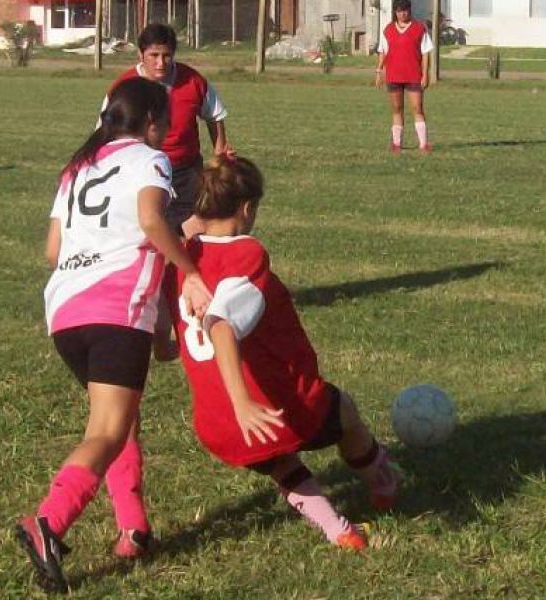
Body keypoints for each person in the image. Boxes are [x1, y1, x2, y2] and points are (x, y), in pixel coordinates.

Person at [15, 78, 212, 594]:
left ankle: (134, 528)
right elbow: (151, 221)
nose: (168, 130)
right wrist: (189, 272)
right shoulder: (150, 159)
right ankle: (48, 524)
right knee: (105, 431)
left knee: (119, 420)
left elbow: (53, 250)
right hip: (114, 310)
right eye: (166, 121)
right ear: (150, 122)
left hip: (64, 311)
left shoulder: (78, 166)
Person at [168, 156, 399, 550]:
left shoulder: (183, 258)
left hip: (216, 423)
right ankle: (384, 484)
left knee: (279, 462)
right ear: (247, 208)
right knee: (344, 410)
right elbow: (222, 324)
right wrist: (242, 401)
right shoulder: (246, 256)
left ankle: (338, 530)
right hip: (271, 408)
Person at [103, 23, 235, 236]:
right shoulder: (124, 85)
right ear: (140, 54)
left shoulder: (192, 81)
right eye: (153, 55)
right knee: (146, 226)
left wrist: (219, 154)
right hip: (138, 170)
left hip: (184, 170)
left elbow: (215, 115)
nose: (160, 62)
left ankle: (183, 265)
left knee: (189, 228)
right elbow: (105, 130)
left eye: (166, 55)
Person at [375, 0, 434, 154]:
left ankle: (423, 144)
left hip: (414, 75)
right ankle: (396, 144)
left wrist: (425, 74)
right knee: (396, 108)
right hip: (394, 75)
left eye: (405, 10)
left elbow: (425, 52)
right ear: (395, 12)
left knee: (417, 108)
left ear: (410, 10)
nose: (402, 13)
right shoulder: (388, 30)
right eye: (399, 11)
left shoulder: (419, 28)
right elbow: (382, 51)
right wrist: (379, 70)